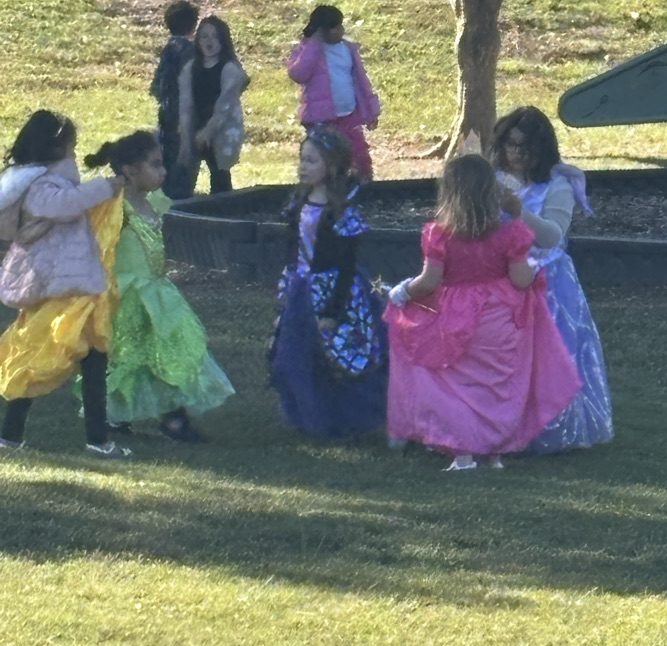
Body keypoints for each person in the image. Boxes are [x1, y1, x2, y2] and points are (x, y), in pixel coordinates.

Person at [385, 154, 581, 471]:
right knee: (495, 385)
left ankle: (463, 453)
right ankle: (493, 453)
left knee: (456, 385)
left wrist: (404, 291)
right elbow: (520, 279)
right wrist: (533, 267)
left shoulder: (440, 234)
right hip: (499, 318)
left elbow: (430, 280)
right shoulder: (511, 233)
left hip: (455, 318)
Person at [84, 131, 235, 441]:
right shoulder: (117, 207)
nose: (163, 172)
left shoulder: (153, 203)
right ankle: (120, 414)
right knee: (129, 357)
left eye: (162, 164)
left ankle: (171, 417)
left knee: (168, 350)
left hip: (156, 293)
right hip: (129, 294)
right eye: (154, 165)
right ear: (130, 171)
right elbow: (98, 245)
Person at [0, 110, 128, 457]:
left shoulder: (53, 182)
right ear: (55, 147)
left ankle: (98, 439)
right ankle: (10, 436)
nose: (75, 150)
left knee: (95, 358)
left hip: (76, 287)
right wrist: (103, 188)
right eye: (71, 144)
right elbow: (65, 206)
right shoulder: (38, 186)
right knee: (34, 358)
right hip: (53, 290)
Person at [490, 106, 614, 453]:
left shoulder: (557, 185)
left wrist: (518, 212)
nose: (515, 153)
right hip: (500, 277)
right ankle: (497, 426)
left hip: (549, 283)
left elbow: (552, 236)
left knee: (547, 356)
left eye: (524, 147)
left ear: (541, 149)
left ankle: (551, 428)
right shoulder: (493, 179)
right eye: (510, 144)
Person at [269, 125, 387, 437]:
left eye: (311, 161)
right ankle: (306, 414)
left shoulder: (341, 211)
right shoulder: (299, 202)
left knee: (336, 358)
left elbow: (346, 265)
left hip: (333, 293)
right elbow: (294, 249)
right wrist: (288, 283)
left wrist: (332, 310)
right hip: (301, 289)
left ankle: (339, 418)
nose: (303, 166)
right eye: (302, 159)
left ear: (332, 166)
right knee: (292, 356)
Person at [287, 5, 380, 182]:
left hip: (349, 115)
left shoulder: (348, 49)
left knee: (359, 155)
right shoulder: (307, 50)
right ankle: (324, 189)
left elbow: (361, 82)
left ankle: (364, 186)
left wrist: (371, 111)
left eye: (340, 26)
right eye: (334, 27)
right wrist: (314, 44)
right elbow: (298, 74)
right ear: (322, 30)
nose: (340, 31)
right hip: (321, 119)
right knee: (324, 158)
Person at [177, 15, 249, 195]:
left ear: (223, 41)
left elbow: (226, 104)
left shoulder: (229, 69)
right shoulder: (190, 68)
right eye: (204, 36)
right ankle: (182, 203)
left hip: (221, 127)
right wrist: (186, 136)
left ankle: (222, 204)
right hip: (196, 123)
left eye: (215, 37)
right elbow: (185, 104)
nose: (209, 42)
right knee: (185, 173)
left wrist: (209, 130)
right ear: (198, 40)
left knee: (219, 173)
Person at [150, 0, 198, 200]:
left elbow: (157, 86)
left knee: (168, 160)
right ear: (194, 24)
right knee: (184, 165)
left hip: (167, 114)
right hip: (185, 117)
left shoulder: (169, 49)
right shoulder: (189, 51)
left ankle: (167, 199)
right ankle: (180, 202)